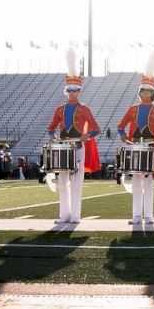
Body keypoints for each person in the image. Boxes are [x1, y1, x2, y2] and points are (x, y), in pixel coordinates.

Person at [117, 49, 154, 225]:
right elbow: (120, 127)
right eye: (143, 90)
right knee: (136, 183)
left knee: (148, 182)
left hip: (150, 148)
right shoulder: (133, 109)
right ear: (140, 92)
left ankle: (148, 216)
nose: (145, 93)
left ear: (152, 93)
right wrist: (124, 137)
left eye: (149, 91)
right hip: (135, 148)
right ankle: (136, 216)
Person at [46, 47, 101, 224]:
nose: (72, 93)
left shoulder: (84, 108)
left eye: (75, 90)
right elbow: (51, 127)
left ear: (79, 91)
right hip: (63, 147)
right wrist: (52, 136)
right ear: (66, 91)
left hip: (78, 146)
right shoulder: (59, 109)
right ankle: (64, 214)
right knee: (62, 181)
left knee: (77, 181)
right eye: (69, 90)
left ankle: (76, 215)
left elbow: (96, 129)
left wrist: (87, 136)